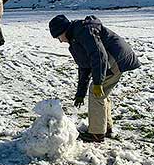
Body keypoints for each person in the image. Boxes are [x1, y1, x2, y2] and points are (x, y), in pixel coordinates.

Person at [49, 15, 141, 143]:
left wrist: (98, 83)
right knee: (101, 92)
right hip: (112, 59)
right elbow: (84, 67)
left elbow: (99, 56)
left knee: (96, 91)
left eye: (59, 37)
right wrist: (80, 93)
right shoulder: (75, 39)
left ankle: (97, 134)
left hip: (116, 59)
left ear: (63, 31)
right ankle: (106, 128)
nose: (60, 41)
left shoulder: (84, 32)